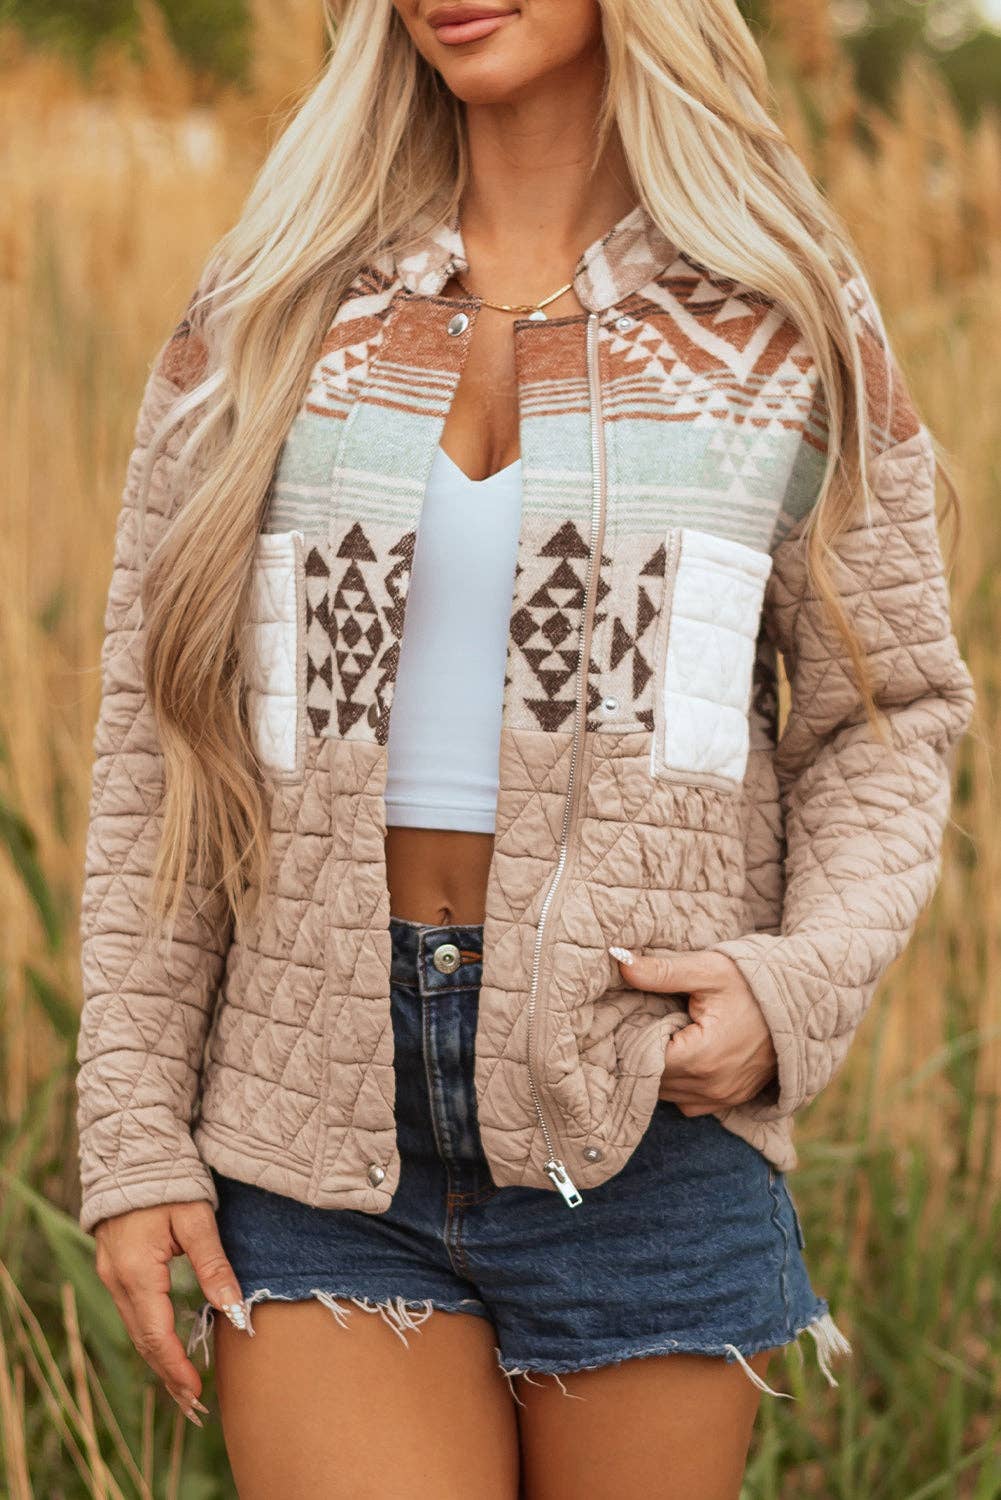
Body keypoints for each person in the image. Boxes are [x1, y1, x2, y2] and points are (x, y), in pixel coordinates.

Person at [74, 1, 975, 1495]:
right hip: (310, 1108)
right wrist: (132, 1133)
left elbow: (881, 718)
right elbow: (153, 743)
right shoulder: (273, 298)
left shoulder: (779, 310)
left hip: (640, 1112)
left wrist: (793, 988)